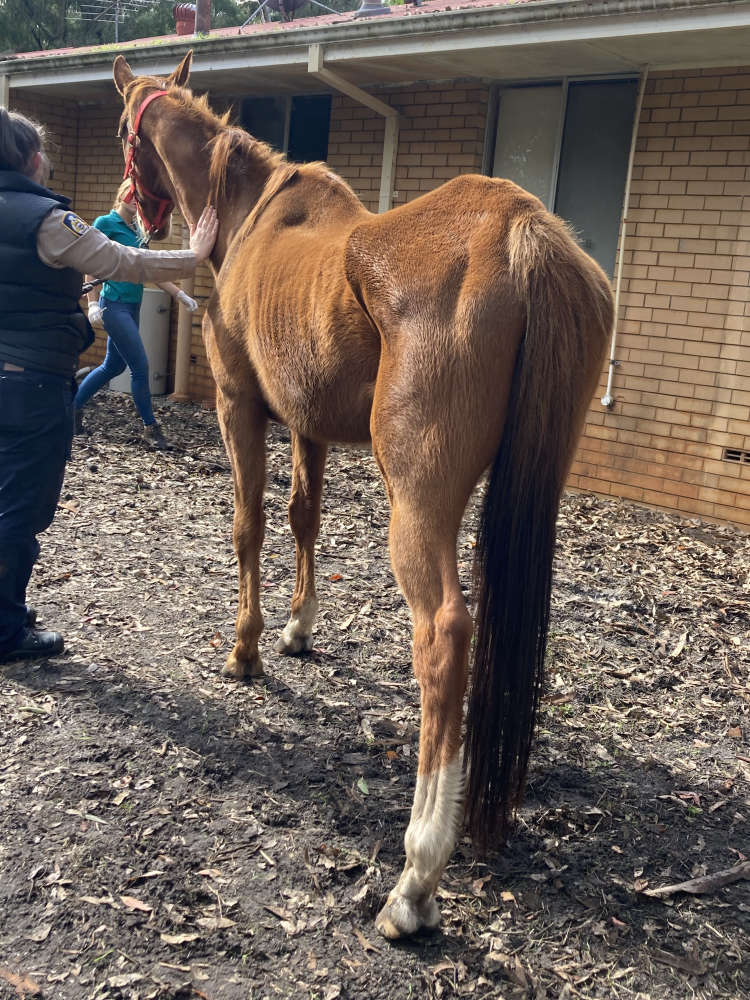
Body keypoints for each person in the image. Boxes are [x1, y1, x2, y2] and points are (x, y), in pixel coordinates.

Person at [0, 108, 218, 663]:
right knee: (23, 506)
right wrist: (195, 254)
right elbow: (125, 262)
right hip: (31, 387)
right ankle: (4, 628)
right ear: (30, 159)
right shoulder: (46, 220)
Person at [76, 180, 199, 450]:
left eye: (138, 196)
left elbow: (149, 270)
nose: (134, 199)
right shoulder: (105, 223)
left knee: (113, 366)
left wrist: (179, 295)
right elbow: (90, 261)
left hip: (133, 306)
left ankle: (72, 408)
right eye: (130, 194)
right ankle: (150, 428)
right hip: (113, 304)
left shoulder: (138, 230)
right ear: (120, 195)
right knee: (140, 368)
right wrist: (92, 303)